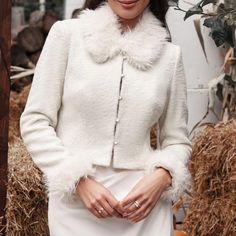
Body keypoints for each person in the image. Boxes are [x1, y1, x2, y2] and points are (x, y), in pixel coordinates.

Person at [20, 0, 192, 235]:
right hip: (76, 205)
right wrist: (77, 180)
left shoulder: (170, 57)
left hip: (145, 209)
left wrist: (162, 176)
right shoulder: (67, 36)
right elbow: (35, 121)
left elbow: (177, 140)